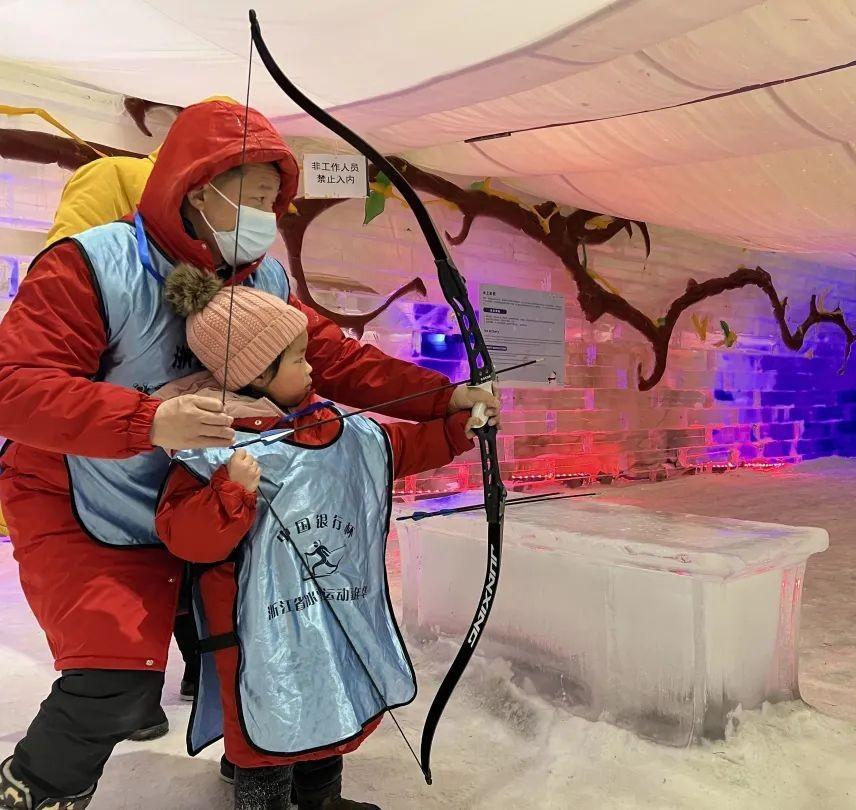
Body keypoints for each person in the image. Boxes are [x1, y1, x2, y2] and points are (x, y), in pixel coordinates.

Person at [0, 98, 497, 809]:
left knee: (260, 642)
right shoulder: (93, 264)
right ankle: (36, 791)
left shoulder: (261, 278)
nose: (266, 216)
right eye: (255, 199)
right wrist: (149, 420)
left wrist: (443, 398)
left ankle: (260, 759)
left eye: (273, 201)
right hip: (82, 496)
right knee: (115, 680)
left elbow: (333, 358)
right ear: (199, 189)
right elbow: (14, 386)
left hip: (215, 496)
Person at [155, 265, 477, 810]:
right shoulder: (212, 444)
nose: (312, 368)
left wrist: (457, 428)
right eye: (298, 359)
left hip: (326, 611)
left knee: (332, 693)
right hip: (253, 628)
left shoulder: (327, 425)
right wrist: (230, 493)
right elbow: (187, 539)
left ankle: (322, 800)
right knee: (267, 717)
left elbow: (391, 449)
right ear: (256, 374)